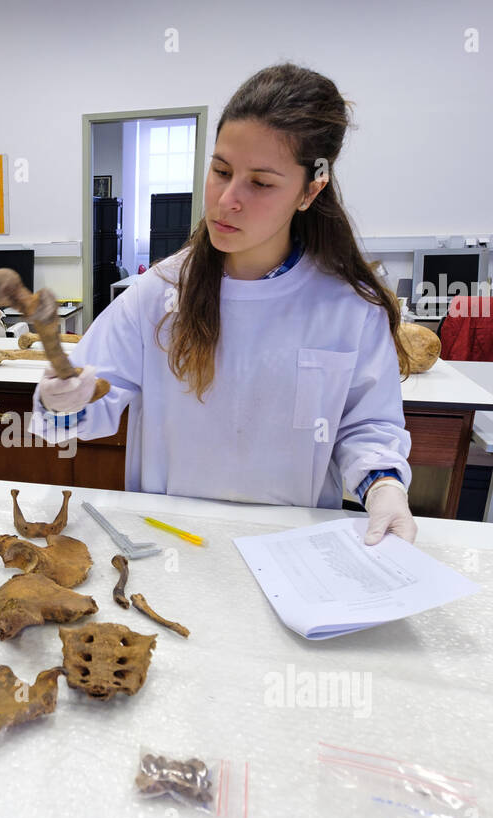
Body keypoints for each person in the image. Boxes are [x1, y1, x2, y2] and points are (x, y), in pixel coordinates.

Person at [29, 63, 417, 545]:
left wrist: (384, 487)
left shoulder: (347, 306)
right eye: (221, 171)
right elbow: (80, 409)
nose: (226, 200)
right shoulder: (160, 293)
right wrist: (60, 401)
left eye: (260, 182)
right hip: (171, 538)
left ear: (309, 190)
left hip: (293, 547)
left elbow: (367, 426)